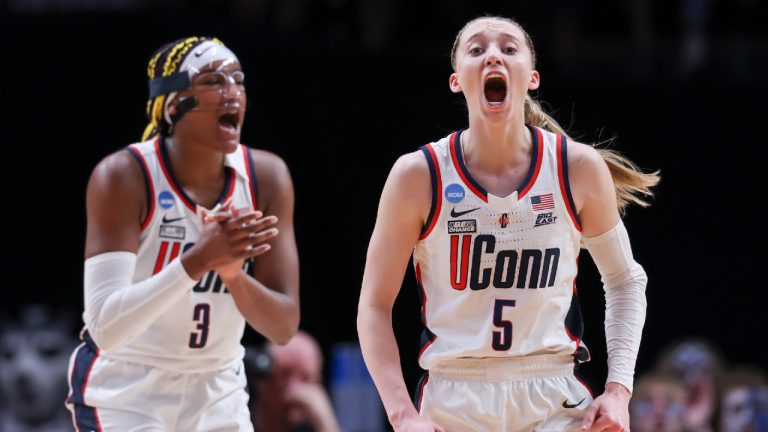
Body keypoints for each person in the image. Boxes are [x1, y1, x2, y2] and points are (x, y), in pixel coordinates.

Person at [357, 15, 660, 432]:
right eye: (477, 50)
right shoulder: (418, 175)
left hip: (553, 393)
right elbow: (373, 305)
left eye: (509, 48)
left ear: (532, 78)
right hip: (455, 396)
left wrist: (619, 390)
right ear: (456, 80)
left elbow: (626, 281)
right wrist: (401, 414)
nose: (493, 57)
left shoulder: (577, 169)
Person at [65, 36, 300, 431]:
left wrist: (232, 274)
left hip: (218, 390)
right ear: (174, 104)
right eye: (213, 80)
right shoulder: (124, 176)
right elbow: (104, 328)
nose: (233, 92)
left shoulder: (267, 177)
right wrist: (196, 261)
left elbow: (283, 326)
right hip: (127, 388)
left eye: (238, 80)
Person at [250, 331, 340, 432]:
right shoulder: (238, 421)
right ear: (263, 380)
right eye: (285, 375)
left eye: (305, 378)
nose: (295, 387)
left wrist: (325, 423)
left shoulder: (315, 426)